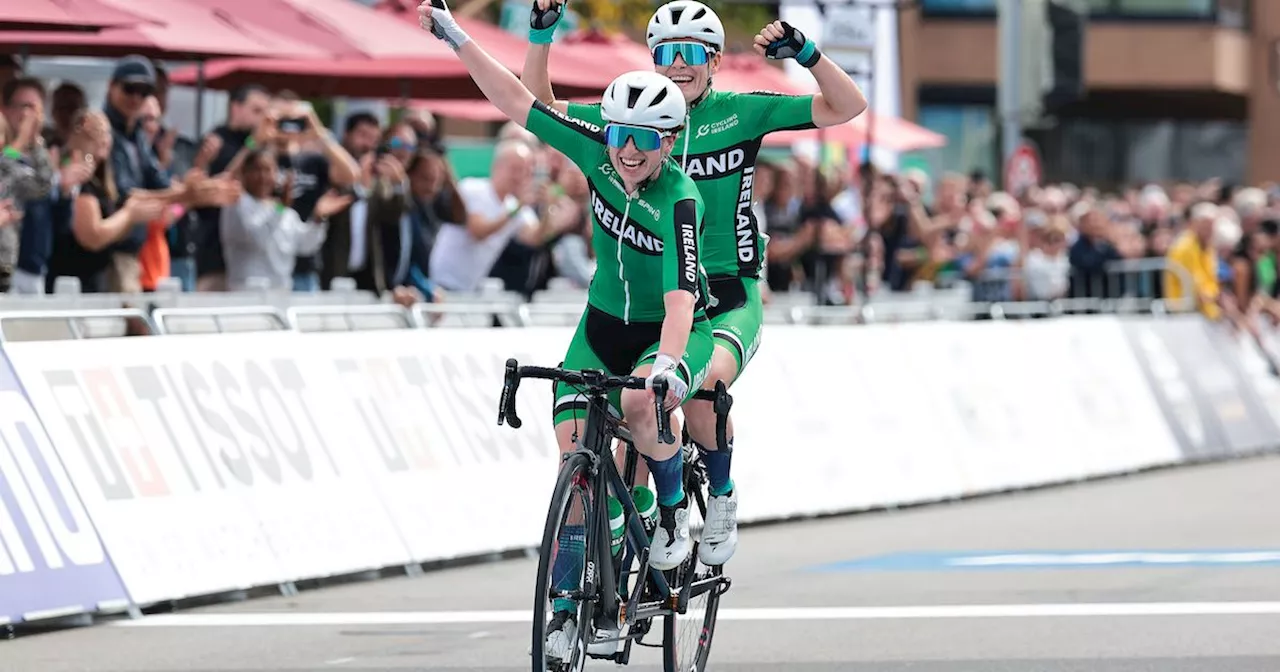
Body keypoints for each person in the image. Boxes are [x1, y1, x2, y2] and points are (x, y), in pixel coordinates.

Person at [523, 0, 867, 567]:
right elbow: (542, 107)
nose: (677, 65)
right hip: (653, 301)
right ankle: (625, 552)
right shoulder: (635, 121)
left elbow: (846, 106)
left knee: (701, 395)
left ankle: (723, 497)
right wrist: (542, 34)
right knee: (637, 419)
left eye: (690, 54)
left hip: (725, 294)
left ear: (713, 61)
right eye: (665, 52)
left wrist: (808, 54)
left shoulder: (742, 112)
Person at [419, 0, 714, 660]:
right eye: (619, 136)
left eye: (646, 138)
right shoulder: (599, 154)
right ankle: (565, 612)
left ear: (670, 141)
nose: (629, 150)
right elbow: (515, 100)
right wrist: (457, 36)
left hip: (659, 333)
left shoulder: (681, 199)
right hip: (600, 327)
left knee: (643, 405)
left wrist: (667, 367)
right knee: (576, 466)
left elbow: (678, 303)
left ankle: (670, 516)